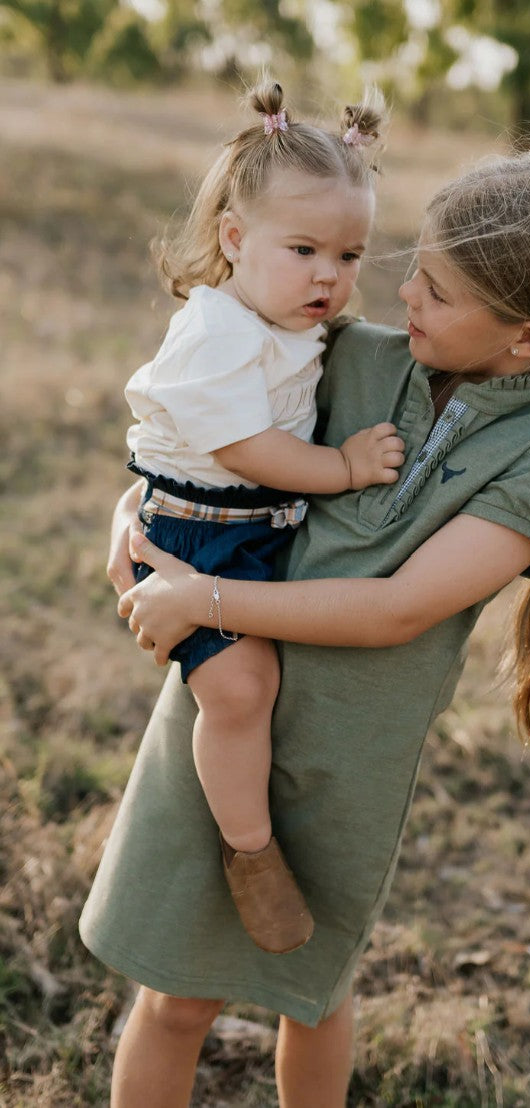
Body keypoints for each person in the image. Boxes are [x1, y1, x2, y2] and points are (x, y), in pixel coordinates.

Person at [80, 149, 530, 1108]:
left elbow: (397, 609)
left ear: (526, 338)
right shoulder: (350, 354)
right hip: (226, 719)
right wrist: (132, 515)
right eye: (415, 266)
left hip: (351, 760)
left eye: (438, 289)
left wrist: (205, 601)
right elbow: (202, 439)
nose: (403, 290)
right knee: (174, 998)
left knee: (315, 996)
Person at [121, 79, 404, 954]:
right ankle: (251, 853)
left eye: (350, 256)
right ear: (234, 239)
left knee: (280, 679)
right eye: (305, 248)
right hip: (200, 532)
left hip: (255, 525)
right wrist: (343, 469)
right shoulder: (218, 329)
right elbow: (247, 448)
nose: (329, 275)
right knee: (241, 691)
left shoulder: (290, 321)